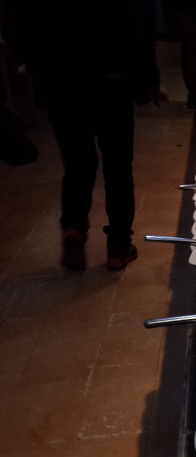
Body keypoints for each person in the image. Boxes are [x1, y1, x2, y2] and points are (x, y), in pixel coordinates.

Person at [0, 0, 166, 272]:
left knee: (78, 164)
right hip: (111, 78)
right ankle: (119, 246)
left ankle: (73, 228)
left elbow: (13, 24)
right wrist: (149, 81)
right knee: (118, 167)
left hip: (58, 81)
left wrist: (38, 61)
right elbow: (138, 22)